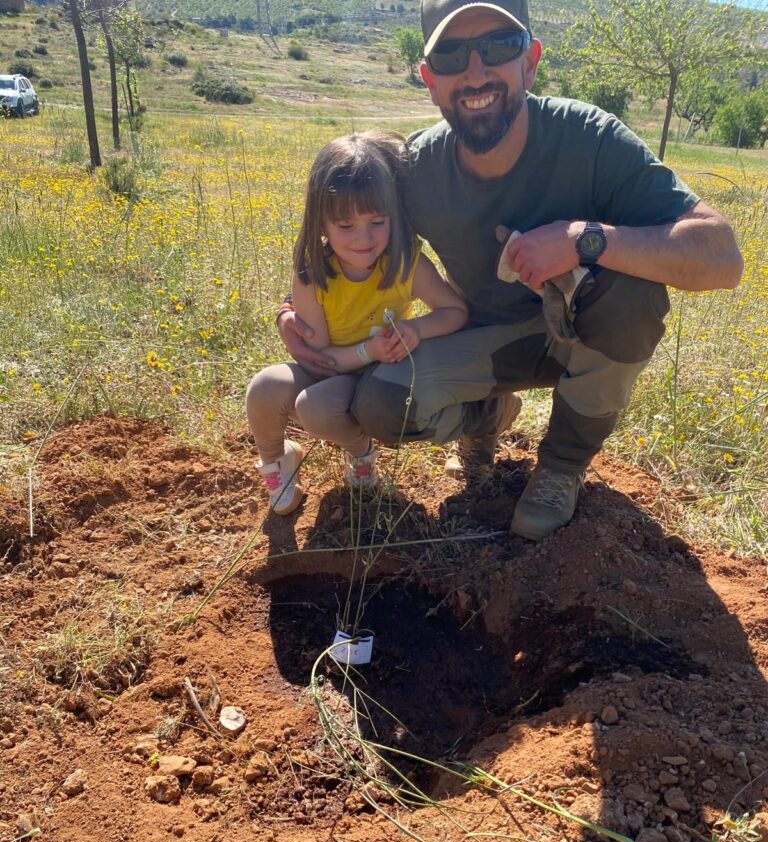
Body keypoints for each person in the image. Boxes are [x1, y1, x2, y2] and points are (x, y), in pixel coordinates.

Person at [278, 0, 743, 539]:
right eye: (452, 55)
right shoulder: (415, 169)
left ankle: (562, 466)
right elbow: (353, 232)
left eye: (498, 46)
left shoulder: (590, 139)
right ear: (430, 80)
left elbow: (722, 256)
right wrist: (291, 308)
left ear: (530, 61)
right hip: (484, 340)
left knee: (635, 295)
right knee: (381, 405)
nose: (476, 72)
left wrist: (583, 240)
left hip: (584, 332)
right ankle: (488, 418)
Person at [246, 130, 467, 514]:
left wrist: (415, 329)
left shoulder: (406, 263)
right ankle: (277, 461)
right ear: (321, 223)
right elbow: (321, 360)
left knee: (315, 407)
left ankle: (360, 453)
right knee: (264, 387)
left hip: (383, 377)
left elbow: (455, 312)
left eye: (377, 221)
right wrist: (369, 349)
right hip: (336, 367)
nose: (363, 238)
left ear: (394, 216)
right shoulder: (312, 273)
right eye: (345, 226)